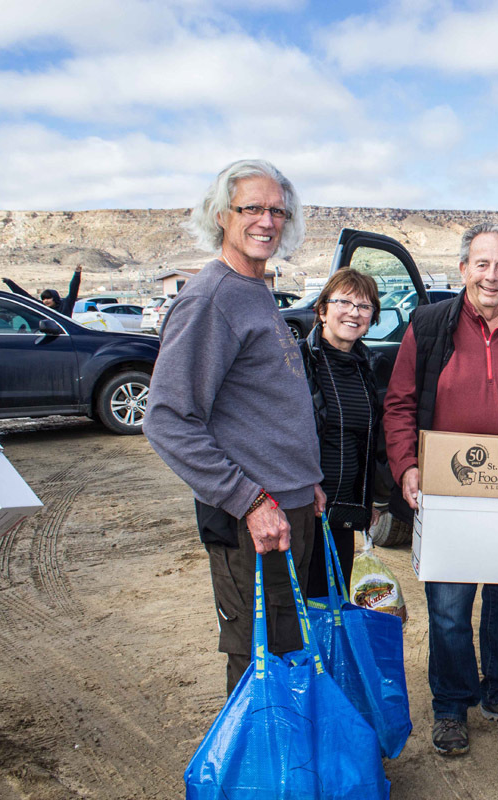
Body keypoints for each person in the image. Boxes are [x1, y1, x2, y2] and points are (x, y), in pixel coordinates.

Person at [382, 222, 498, 756]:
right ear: (463, 268)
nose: (491, 276)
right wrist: (406, 466)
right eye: (482, 264)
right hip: (447, 492)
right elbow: (399, 403)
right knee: (448, 608)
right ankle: (451, 705)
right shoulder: (428, 324)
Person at [144, 159, 326, 695]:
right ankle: (256, 753)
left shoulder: (254, 288)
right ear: (222, 215)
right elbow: (167, 419)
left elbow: (262, 407)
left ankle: (284, 750)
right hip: (253, 519)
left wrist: (306, 480)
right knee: (258, 663)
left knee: (286, 651)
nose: (266, 221)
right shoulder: (212, 297)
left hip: (288, 506)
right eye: (252, 208)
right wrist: (249, 501)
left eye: (277, 211)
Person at [299, 268, 391, 597]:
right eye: (344, 302)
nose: (354, 312)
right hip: (300, 509)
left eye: (364, 306)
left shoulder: (369, 367)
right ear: (322, 310)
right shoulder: (296, 362)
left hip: (342, 514)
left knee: (332, 604)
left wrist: (370, 499)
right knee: (297, 608)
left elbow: (369, 442)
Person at [2, 264, 82, 316]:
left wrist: (77, 275)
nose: (46, 301)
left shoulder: (66, 304)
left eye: (48, 298)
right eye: (43, 299)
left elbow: (73, 290)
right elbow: (25, 296)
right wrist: (10, 283)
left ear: (55, 298)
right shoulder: (42, 307)